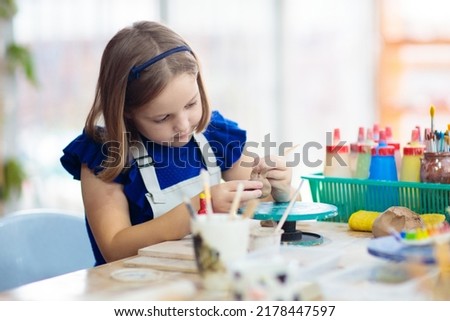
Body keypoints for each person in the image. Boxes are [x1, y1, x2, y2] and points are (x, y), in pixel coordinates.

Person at [60, 21, 294, 266]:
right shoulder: (104, 155)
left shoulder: (213, 136)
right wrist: (199, 208)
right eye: (162, 117)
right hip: (133, 290)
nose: (183, 125)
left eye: (191, 104)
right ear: (126, 110)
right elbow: (114, 248)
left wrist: (278, 190)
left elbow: (267, 208)